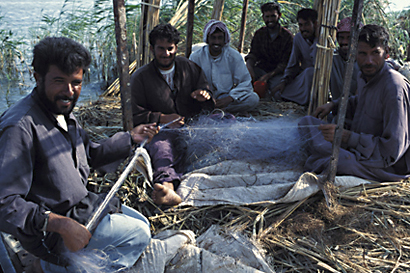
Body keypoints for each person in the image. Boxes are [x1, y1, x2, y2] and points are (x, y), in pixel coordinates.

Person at [0, 37, 159, 272]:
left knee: (142, 222)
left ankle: (49, 266)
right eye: (59, 81)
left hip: (80, 209)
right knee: (138, 234)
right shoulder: (20, 128)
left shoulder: (63, 112)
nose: (69, 92)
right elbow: (4, 203)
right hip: (49, 232)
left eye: (76, 82)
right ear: (37, 77)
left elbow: (90, 155)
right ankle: (50, 265)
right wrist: (60, 224)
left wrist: (130, 139)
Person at [299, 24, 410, 182]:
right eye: (363, 54)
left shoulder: (394, 87)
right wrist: (334, 105)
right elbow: (360, 101)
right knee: (307, 123)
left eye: (375, 53)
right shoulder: (364, 76)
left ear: (386, 54)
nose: (368, 61)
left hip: (385, 164)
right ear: (354, 54)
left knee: (337, 162)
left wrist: (348, 137)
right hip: (360, 149)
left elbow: (392, 150)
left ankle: (324, 157)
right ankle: (325, 155)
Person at [130, 23, 214, 206]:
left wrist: (202, 95)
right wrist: (163, 118)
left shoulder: (189, 67)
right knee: (161, 149)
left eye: (170, 49)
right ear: (152, 49)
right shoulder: (140, 78)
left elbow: (206, 91)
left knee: (224, 122)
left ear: (176, 48)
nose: (166, 54)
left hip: (192, 124)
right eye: (161, 49)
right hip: (162, 130)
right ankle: (166, 187)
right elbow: (136, 114)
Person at [189, 20, 259, 112]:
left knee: (253, 98)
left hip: (225, 98)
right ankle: (211, 109)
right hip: (203, 98)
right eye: (213, 38)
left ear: (225, 39)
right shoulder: (196, 56)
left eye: (220, 38)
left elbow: (245, 82)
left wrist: (230, 98)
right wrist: (202, 95)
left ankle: (217, 110)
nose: (216, 42)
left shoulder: (233, 56)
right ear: (207, 39)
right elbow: (190, 82)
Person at [272, 8, 319, 105]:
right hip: (303, 79)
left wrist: (316, 43)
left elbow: (319, 64)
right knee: (277, 90)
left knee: (310, 72)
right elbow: (293, 63)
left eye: (306, 24)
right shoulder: (298, 38)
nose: (303, 29)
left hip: (319, 79)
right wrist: (284, 81)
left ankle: (305, 101)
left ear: (315, 24)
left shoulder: (322, 40)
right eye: (300, 25)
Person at [245, 2, 293, 96]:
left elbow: (285, 63)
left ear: (279, 16)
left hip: (277, 74)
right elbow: (253, 54)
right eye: (267, 17)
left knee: (278, 93)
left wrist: (267, 76)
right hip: (261, 69)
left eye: (273, 16)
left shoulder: (287, 36)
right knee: (243, 78)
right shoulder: (259, 33)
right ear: (263, 17)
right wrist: (249, 66)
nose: (270, 20)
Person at [330, 17, 363, 100]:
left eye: (349, 38)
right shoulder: (334, 60)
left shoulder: (364, 61)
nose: (344, 42)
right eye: (341, 37)